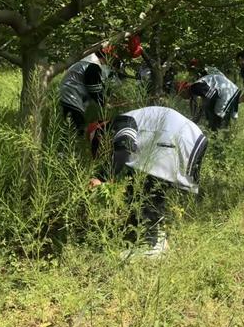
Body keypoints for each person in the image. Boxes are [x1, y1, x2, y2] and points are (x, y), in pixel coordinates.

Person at [88, 106, 208, 258]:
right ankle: (156, 236)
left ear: (101, 134)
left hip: (179, 140)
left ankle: (152, 246)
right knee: (138, 184)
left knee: (148, 189)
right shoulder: (134, 118)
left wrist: (101, 177)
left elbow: (123, 149)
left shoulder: (120, 122)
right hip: (183, 139)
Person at [59, 48, 114, 135]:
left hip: (68, 93)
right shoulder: (93, 66)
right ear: (105, 56)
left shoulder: (88, 63)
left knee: (71, 125)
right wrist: (104, 103)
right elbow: (94, 89)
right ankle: (74, 144)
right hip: (71, 96)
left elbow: (98, 84)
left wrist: (106, 94)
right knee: (77, 126)